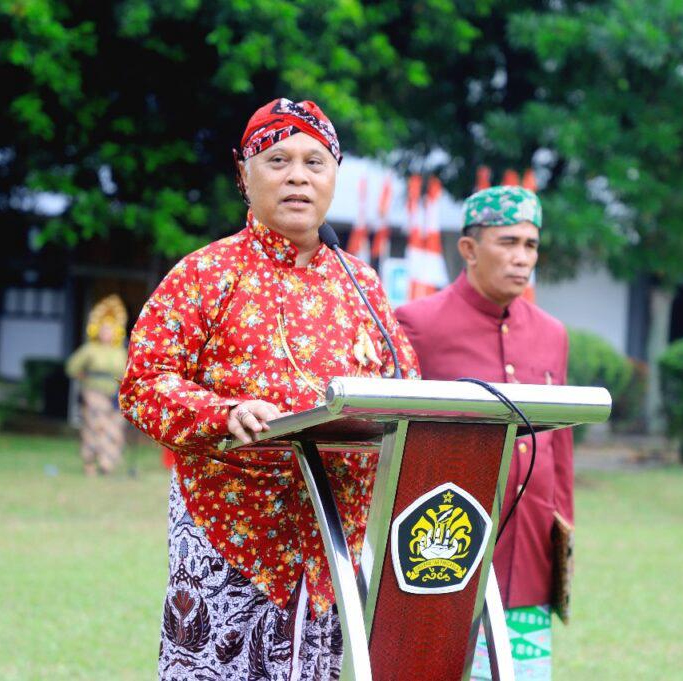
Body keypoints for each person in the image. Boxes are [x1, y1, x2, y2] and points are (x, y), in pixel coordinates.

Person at [118, 98, 420, 680]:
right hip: (228, 539)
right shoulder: (205, 273)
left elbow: (406, 390)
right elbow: (143, 383)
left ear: (335, 175)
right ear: (243, 173)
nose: (298, 177)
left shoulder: (362, 284)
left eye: (315, 162)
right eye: (278, 160)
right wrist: (222, 412)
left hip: (333, 546)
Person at [395, 186, 572, 680]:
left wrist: (562, 537)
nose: (522, 258)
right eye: (508, 242)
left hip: (529, 549)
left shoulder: (552, 334)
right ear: (469, 249)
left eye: (531, 245)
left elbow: (560, 450)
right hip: (442, 547)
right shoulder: (417, 325)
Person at [65, 294, 129, 476]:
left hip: (115, 395)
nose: (106, 333)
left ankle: (107, 463)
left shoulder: (120, 352)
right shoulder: (90, 349)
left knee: (114, 427)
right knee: (96, 426)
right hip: (94, 393)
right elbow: (72, 367)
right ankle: (90, 462)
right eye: (103, 329)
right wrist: (84, 378)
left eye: (110, 330)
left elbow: (127, 372)